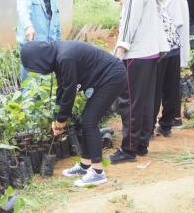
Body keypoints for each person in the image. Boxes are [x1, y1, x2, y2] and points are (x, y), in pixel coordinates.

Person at [20, 41, 126, 186]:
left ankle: (98, 172)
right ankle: (85, 166)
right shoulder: (57, 55)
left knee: (90, 121)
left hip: (112, 77)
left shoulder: (64, 57)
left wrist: (62, 120)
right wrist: (57, 118)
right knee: (87, 120)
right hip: (105, 78)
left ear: (40, 59)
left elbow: (70, 92)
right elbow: (62, 88)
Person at [109, 0, 171, 163]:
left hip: (136, 53)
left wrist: (119, 52)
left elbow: (129, 23)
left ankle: (128, 150)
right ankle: (142, 144)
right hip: (152, 52)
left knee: (130, 103)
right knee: (145, 101)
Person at [154, 0, 190, 134]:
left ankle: (166, 122)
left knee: (164, 88)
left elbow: (171, 26)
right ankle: (167, 123)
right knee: (171, 88)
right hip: (175, 50)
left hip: (169, 50)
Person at [16, 0, 61, 81]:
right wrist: (28, 26)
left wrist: (58, 42)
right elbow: (23, 11)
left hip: (48, 45)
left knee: (45, 81)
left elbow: (56, 20)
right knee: (30, 82)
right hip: (32, 45)